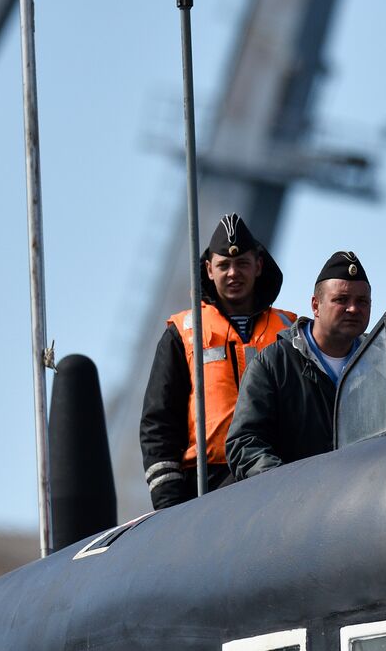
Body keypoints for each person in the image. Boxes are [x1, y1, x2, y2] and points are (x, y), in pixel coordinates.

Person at [140, 213, 297, 509]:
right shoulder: (183, 334)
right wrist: (169, 504)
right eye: (224, 265)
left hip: (279, 475)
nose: (233, 273)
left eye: (242, 264)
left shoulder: (290, 330)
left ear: (258, 266)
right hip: (205, 485)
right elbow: (158, 421)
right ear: (209, 270)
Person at [226, 250, 372, 478]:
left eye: (361, 301)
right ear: (316, 305)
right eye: (341, 300)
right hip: (295, 507)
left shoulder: (382, 363)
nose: (353, 309)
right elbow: (245, 443)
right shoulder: (272, 364)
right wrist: (287, 485)